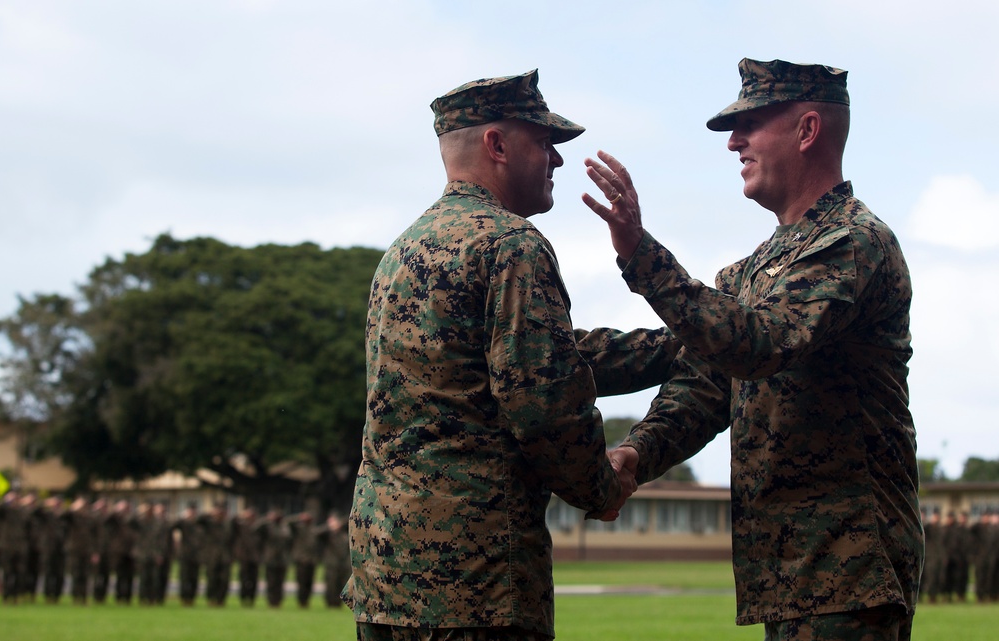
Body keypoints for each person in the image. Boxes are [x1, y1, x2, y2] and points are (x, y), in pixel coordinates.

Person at [584, 58, 922, 639]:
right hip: (791, 573)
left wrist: (642, 254)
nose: (735, 142)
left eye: (752, 124)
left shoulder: (854, 243)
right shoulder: (756, 268)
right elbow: (705, 385)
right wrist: (636, 456)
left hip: (851, 569)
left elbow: (761, 344)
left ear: (808, 130)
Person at [343, 69, 677, 641]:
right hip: (476, 582)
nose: (558, 160)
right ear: (496, 145)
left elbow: (550, 356)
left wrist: (686, 345)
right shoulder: (509, 244)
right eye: (544, 142)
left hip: (387, 578)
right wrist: (602, 487)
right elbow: (543, 400)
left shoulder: (404, 250)